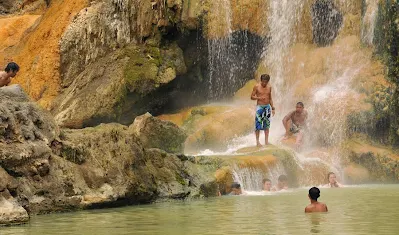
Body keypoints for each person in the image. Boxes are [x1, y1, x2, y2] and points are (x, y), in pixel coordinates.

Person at [251, 74, 275, 147]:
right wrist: (258, 98)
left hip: (267, 107)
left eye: (266, 82)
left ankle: (266, 141)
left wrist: (273, 108)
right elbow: (252, 97)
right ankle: (257, 142)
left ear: (268, 81)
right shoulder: (256, 86)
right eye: (263, 82)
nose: (264, 83)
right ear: (261, 80)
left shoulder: (269, 87)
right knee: (258, 125)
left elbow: (270, 98)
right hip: (260, 107)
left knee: (267, 125)